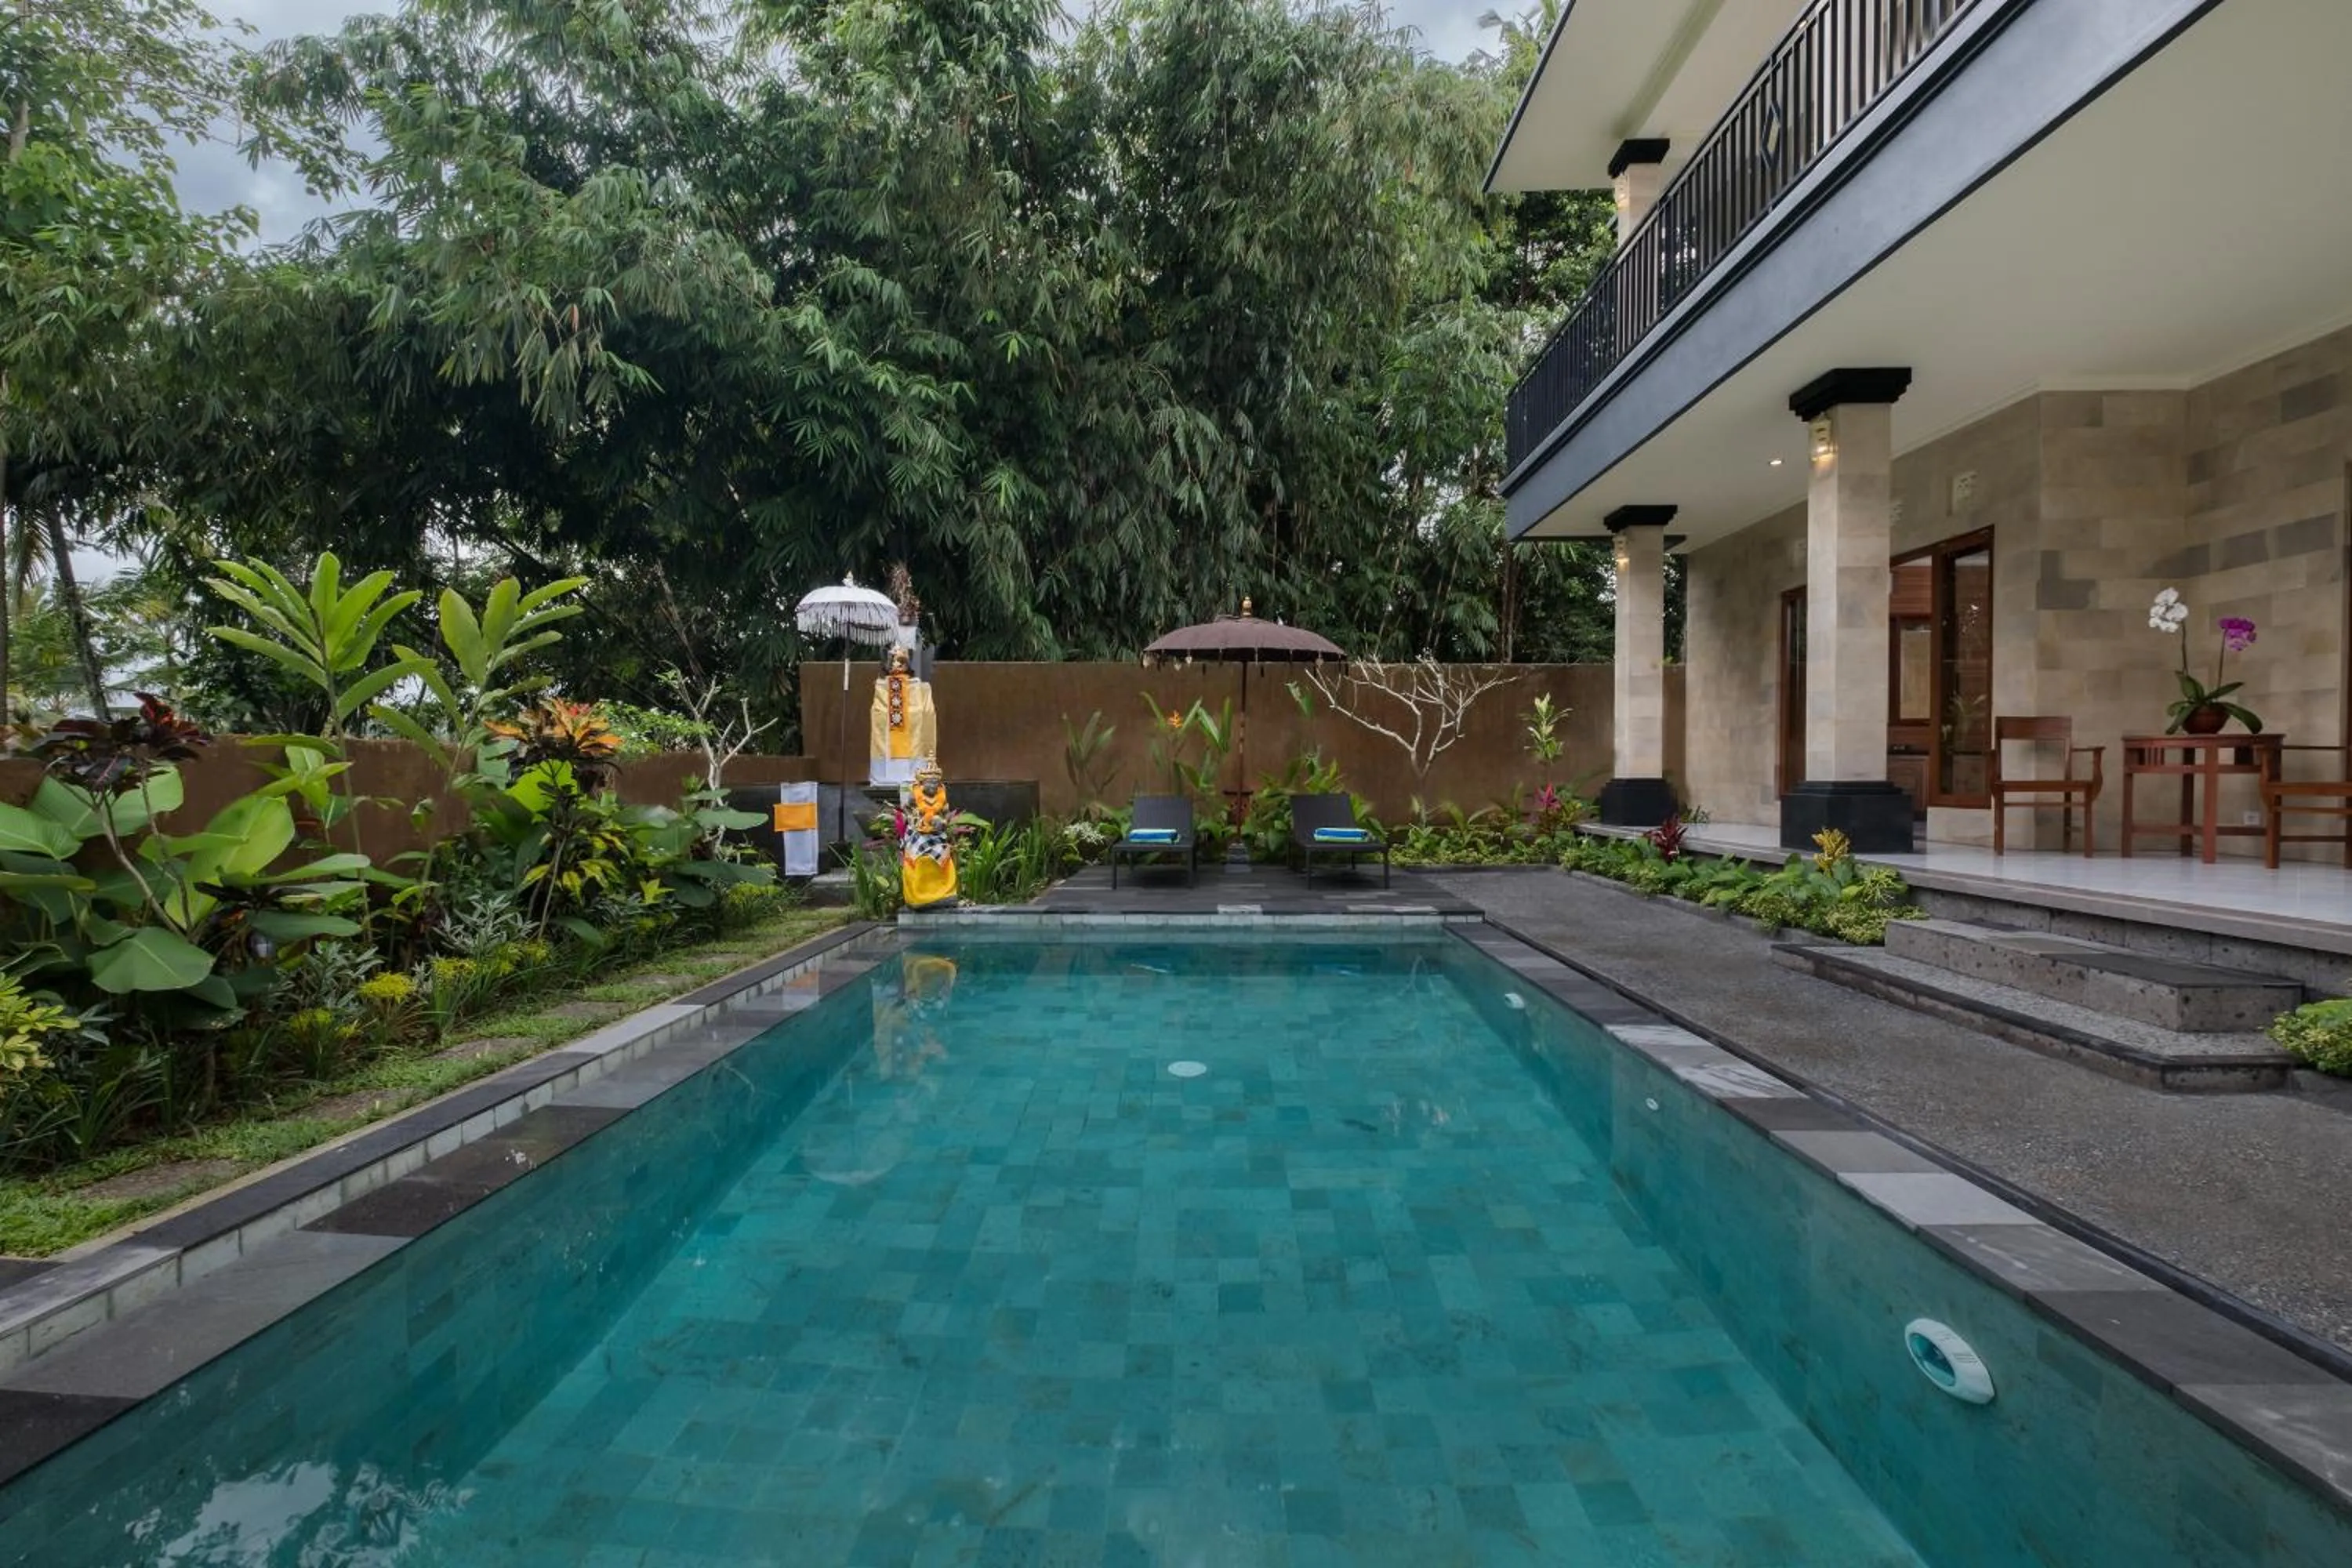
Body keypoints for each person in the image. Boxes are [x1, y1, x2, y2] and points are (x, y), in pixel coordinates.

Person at [869, 644, 936, 787]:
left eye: (901, 661)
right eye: (894, 660)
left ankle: (915, 772)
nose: (897, 664)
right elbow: (878, 713)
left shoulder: (919, 688)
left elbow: (926, 714)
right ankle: (887, 774)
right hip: (888, 749)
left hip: (913, 743)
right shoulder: (882, 687)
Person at [900, 760, 960, 909]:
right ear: (922, 783)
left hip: (937, 835)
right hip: (918, 835)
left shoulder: (942, 797)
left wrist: (943, 822)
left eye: (935, 783)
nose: (933, 786)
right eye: (930, 783)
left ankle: (945, 894)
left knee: (944, 858)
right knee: (920, 860)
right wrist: (911, 818)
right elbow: (906, 808)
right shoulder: (915, 796)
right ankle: (919, 898)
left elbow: (946, 815)